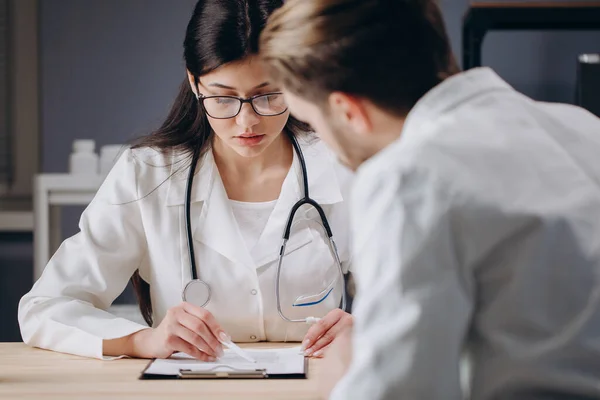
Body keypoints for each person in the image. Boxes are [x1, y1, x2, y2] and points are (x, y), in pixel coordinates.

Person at [260, 0, 600, 399]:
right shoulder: (583, 127)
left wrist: (346, 372)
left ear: (347, 111)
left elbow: (400, 391)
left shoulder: (409, 177)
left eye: (314, 122)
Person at [18, 0, 354, 362]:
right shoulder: (148, 173)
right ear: (195, 83)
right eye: (224, 98)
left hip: (316, 389)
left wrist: (366, 326)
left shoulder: (344, 165)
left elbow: (414, 295)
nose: (247, 122)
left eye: (268, 95)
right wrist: (140, 341)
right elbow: (45, 306)